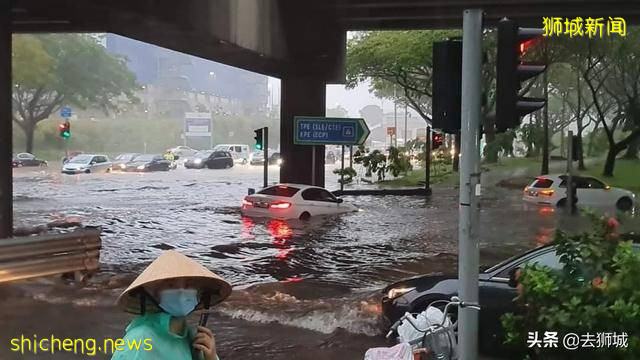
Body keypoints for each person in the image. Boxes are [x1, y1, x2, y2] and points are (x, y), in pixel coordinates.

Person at [112, 251, 232, 360]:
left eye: (188, 285)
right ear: (155, 294)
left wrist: (210, 357)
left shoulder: (190, 337)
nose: (181, 292)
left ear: (199, 293)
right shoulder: (141, 340)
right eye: (170, 285)